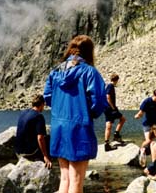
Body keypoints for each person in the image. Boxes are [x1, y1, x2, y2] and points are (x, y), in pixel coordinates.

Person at [43, 35, 108, 193]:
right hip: (79, 128)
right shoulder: (90, 72)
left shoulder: (55, 72)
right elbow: (99, 101)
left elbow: (47, 97)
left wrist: (60, 109)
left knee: (65, 179)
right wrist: (88, 113)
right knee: (77, 182)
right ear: (89, 51)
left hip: (59, 126)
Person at [15, 94, 52, 169]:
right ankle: (48, 163)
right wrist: (45, 156)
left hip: (17, 151)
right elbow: (40, 138)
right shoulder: (39, 116)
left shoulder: (23, 112)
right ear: (42, 104)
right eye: (44, 105)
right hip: (28, 153)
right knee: (48, 139)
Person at [104, 73, 126, 151]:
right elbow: (108, 97)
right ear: (116, 80)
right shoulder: (110, 86)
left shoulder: (108, 86)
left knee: (108, 125)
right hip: (110, 109)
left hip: (107, 108)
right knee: (123, 119)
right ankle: (116, 135)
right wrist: (113, 107)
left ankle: (107, 143)